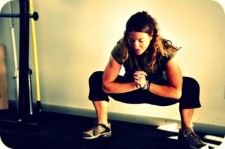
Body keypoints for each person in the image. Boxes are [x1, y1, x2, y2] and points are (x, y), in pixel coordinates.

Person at [82, 11, 207, 149]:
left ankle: (186, 131)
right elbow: (106, 86)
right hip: (130, 88)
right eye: (132, 40)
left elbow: (176, 92)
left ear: (151, 36)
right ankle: (103, 125)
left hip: (159, 91)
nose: (135, 45)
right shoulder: (121, 48)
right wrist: (135, 85)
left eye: (141, 40)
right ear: (127, 37)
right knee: (97, 78)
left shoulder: (165, 51)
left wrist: (146, 85)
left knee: (190, 85)